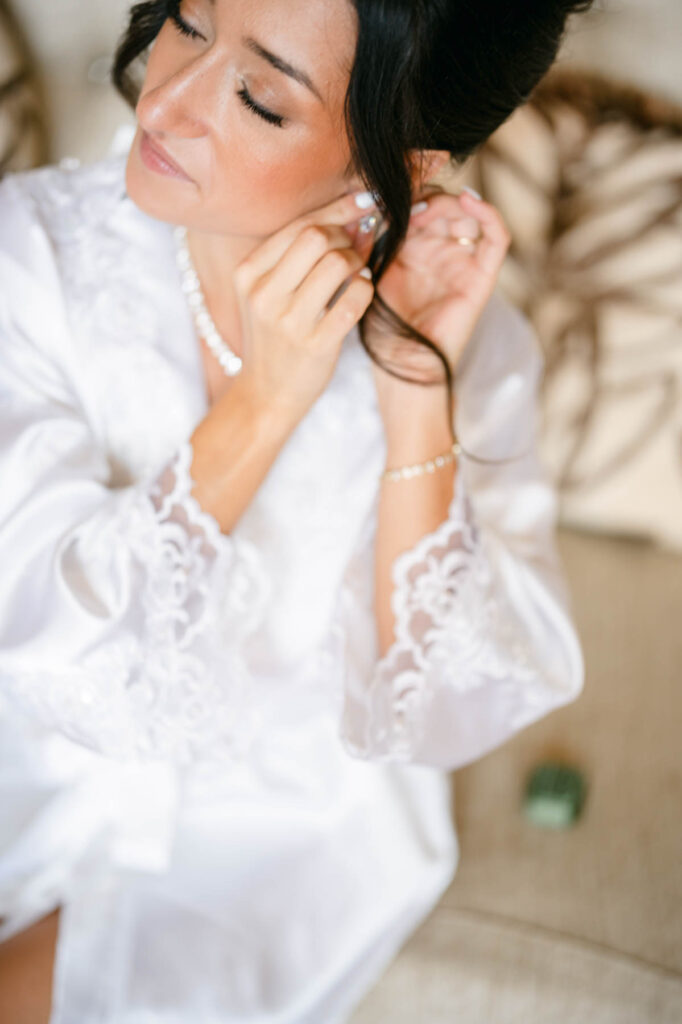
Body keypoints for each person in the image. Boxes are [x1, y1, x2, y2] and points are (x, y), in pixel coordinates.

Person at [0, 0, 593, 1021]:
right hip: (32, 756)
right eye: (188, 23)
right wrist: (266, 396)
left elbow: (456, 697)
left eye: (258, 97)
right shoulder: (29, 255)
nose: (168, 96)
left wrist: (415, 388)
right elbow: (53, 652)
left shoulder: (459, 334)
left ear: (402, 166)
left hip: (280, 818)